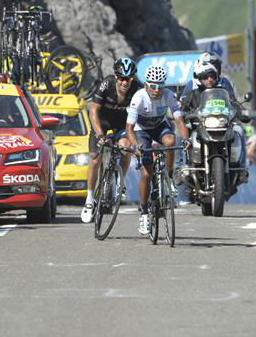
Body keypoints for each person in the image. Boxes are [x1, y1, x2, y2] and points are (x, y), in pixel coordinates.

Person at [126, 65, 189, 235]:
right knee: (146, 174)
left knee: (171, 141)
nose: (156, 90)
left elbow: (179, 122)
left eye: (160, 86)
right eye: (153, 86)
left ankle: (168, 177)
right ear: (146, 85)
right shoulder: (138, 97)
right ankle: (144, 212)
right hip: (141, 131)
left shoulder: (168, 95)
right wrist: (135, 146)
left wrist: (185, 139)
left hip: (160, 126)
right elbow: (129, 128)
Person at [80, 57, 142, 223]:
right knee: (95, 159)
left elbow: (144, 110)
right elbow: (93, 110)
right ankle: (89, 198)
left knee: (126, 147)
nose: (124, 83)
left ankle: (119, 182)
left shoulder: (136, 88)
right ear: (116, 77)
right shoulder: (106, 85)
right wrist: (100, 135)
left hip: (120, 122)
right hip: (101, 121)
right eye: (121, 78)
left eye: (128, 79)